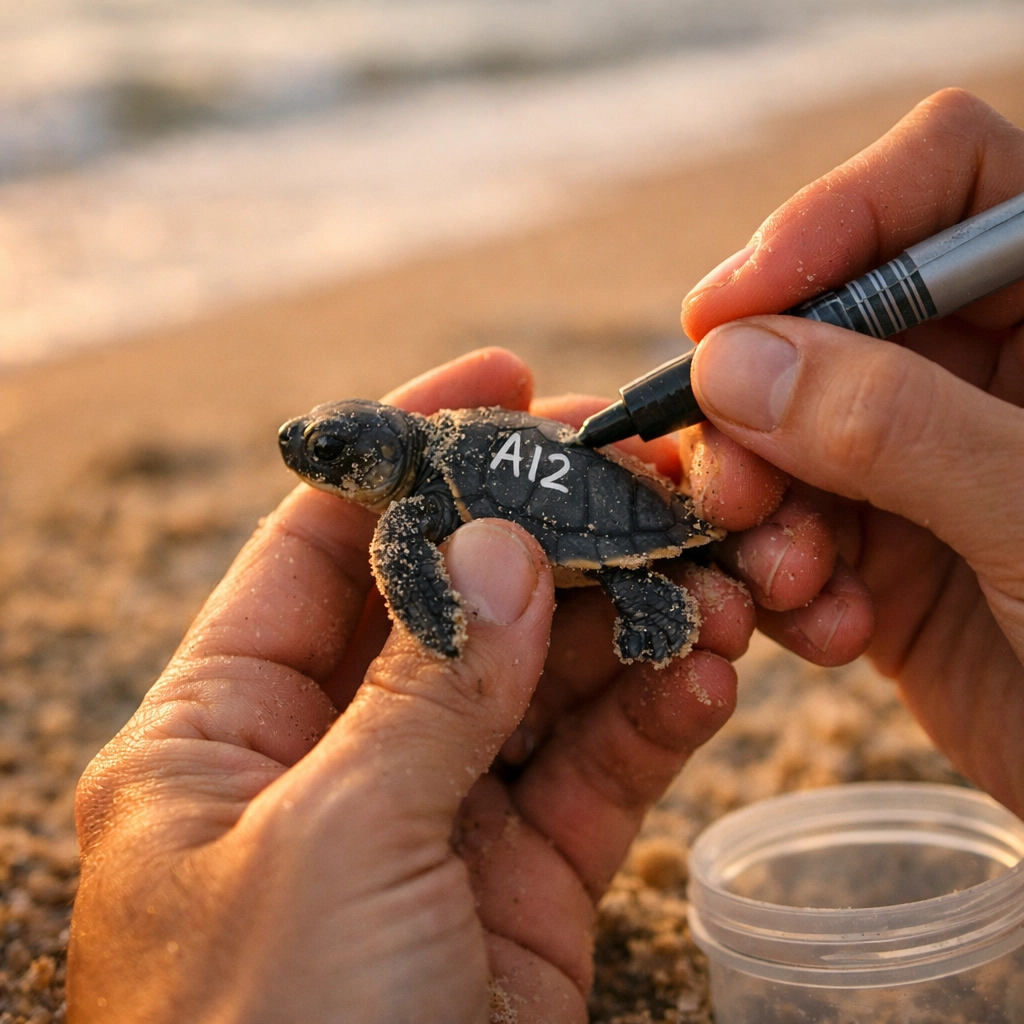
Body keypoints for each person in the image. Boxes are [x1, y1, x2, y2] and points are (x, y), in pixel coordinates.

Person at [68, 88, 1024, 1023]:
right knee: (661, 593)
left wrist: (448, 639)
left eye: (323, 455)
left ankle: (656, 597)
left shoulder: (412, 518)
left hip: (608, 530)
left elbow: (440, 591)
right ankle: (657, 596)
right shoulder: (433, 458)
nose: (309, 461)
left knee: (641, 589)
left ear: (377, 457)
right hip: (593, 515)